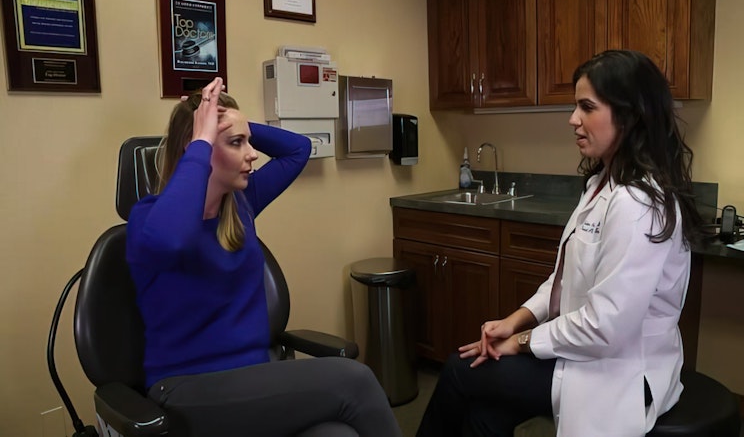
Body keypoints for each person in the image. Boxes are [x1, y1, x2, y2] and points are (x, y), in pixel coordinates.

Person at [416, 50, 705, 437]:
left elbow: (604, 328)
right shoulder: (601, 184)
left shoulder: (636, 203)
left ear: (630, 114)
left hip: (620, 372)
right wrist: (516, 320)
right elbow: (564, 281)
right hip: (584, 354)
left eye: (587, 107)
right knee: (486, 411)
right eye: (575, 107)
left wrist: (521, 342)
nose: (573, 119)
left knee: (458, 370)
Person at [126, 78, 402, 437]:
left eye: (248, 142)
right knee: (355, 381)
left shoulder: (240, 206)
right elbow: (172, 240)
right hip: (185, 390)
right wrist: (203, 136)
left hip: (254, 381)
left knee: (336, 435)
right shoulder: (147, 220)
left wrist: (230, 121)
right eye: (237, 143)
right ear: (196, 147)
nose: (252, 153)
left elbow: (298, 149)